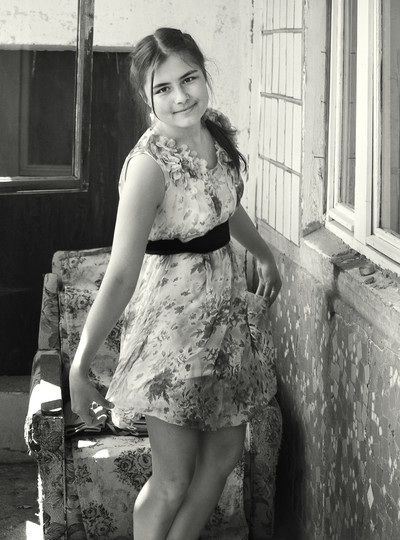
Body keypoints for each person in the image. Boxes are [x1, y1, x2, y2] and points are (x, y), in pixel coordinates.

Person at [69, 27, 282, 540]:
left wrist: (264, 253)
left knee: (224, 457)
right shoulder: (149, 165)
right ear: (146, 97)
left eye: (189, 79)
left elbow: (225, 207)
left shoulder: (215, 133)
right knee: (172, 481)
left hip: (225, 328)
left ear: (204, 75)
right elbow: (121, 273)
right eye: (163, 88)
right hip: (173, 338)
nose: (180, 96)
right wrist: (79, 366)